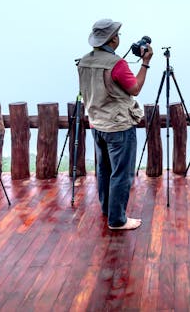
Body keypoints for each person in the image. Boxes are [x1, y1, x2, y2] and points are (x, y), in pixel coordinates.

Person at [77, 19, 153, 230]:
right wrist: (145, 63)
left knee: (104, 169)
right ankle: (117, 219)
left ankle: (107, 209)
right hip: (118, 126)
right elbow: (135, 88)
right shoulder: (117, 64)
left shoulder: (84, 61)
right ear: (113, 40)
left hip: (97, 124)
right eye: (117, 35)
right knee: (122, 173)